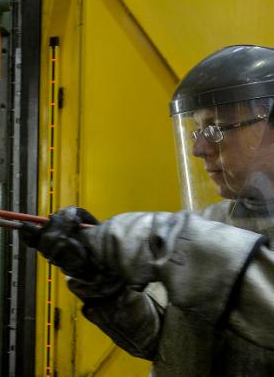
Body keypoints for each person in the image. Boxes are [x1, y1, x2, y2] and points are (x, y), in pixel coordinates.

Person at [22, 45, 274, 375]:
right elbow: (159, 340)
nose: (198, 149)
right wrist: (100, 282)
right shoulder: (212, 224)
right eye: (197, 131)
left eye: (216, 128)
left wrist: (180, 241)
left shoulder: (199, 239)